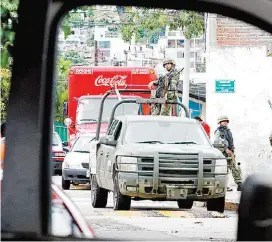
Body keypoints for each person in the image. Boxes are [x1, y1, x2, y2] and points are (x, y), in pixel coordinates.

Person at [214, 116, 242, 191]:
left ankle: (239, 184)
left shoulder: (228, 130)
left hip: (230, 152)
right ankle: (224, 186)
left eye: (226, 121)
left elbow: (231, 141)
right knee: (224, 170)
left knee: (234, 168)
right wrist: (226, 149)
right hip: (223, 153)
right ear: (220, 122)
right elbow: (217, 142)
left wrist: (232, 151)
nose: (225, 122)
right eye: (223, 121)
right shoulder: (218, 131)